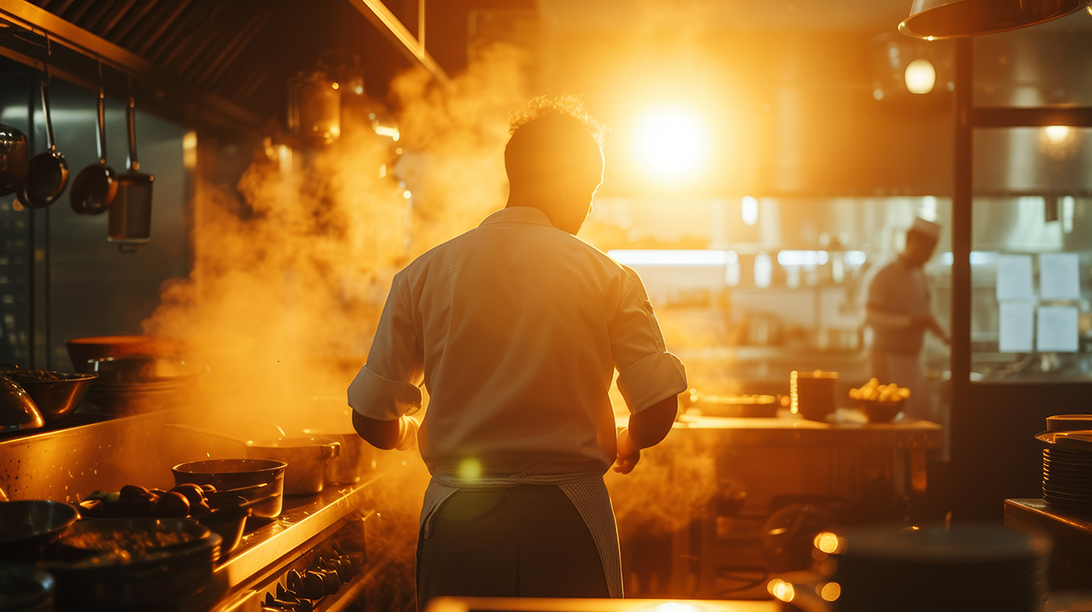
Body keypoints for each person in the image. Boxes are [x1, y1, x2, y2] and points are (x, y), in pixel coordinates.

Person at [347, 95, 688, 609]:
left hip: (458, 520)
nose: (590, 205)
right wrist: (629, 438)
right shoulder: (609, 277)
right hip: (571, 518)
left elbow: (371, 419)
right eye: (591, 189)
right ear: (571, 181)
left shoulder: (424, 275)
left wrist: (405, 434)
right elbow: (658, 410)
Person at [864, 217, 949, 421]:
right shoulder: (884, 274)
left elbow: (927, 314)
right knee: (893, 421)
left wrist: (944, 335)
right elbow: (870, 317)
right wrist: (910, 323)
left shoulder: (920, 276)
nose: (929, 256)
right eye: (927, 249)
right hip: (888, 359)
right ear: (913, 241)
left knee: (918, 418)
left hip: (914, 361)